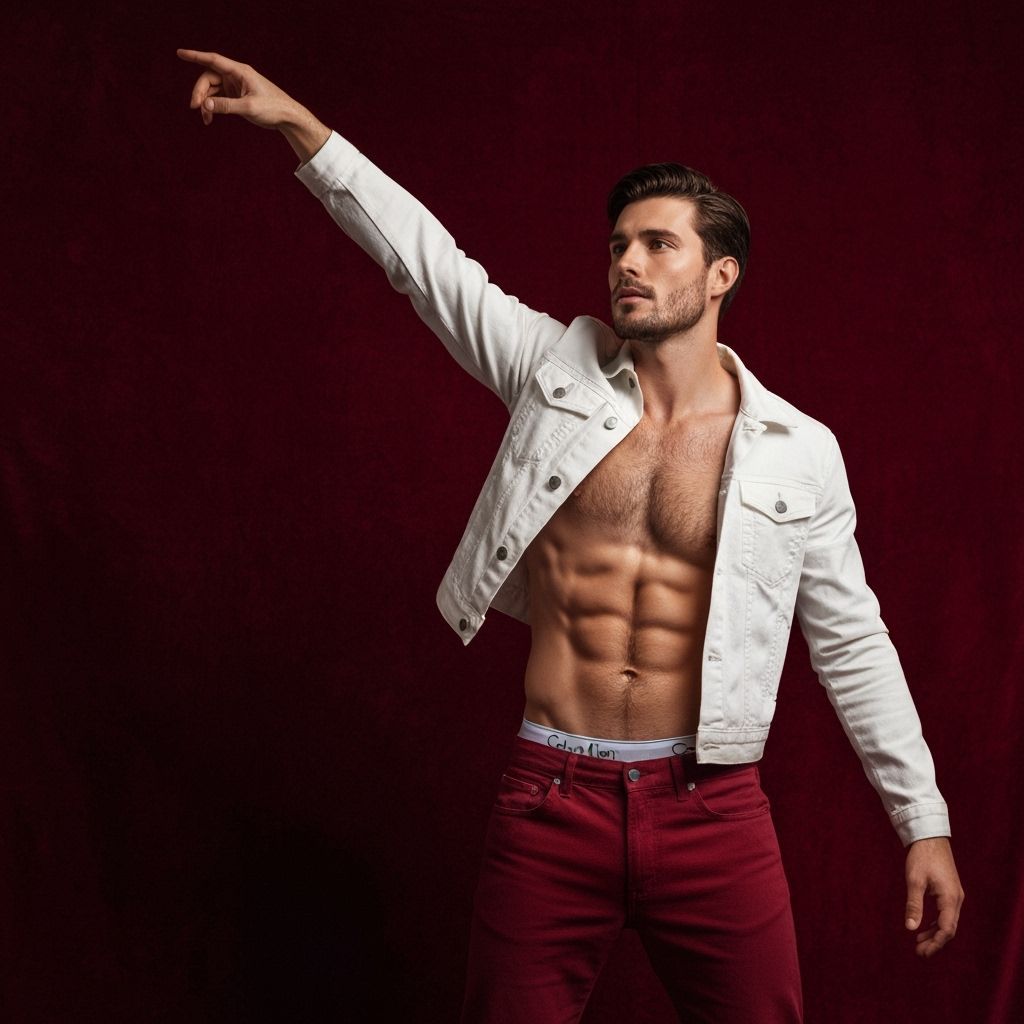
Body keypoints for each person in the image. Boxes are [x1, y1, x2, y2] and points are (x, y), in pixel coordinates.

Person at [176, 48, 965, 1023]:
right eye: (617, 244)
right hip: (552, 794)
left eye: (657, 245)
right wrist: (297, 123)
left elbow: (851, 641)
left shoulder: (796, 451)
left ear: (721, 273)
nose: (625, 262)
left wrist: (919, 820)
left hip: (711, 808)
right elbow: (424, 265)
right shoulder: (555, 372)